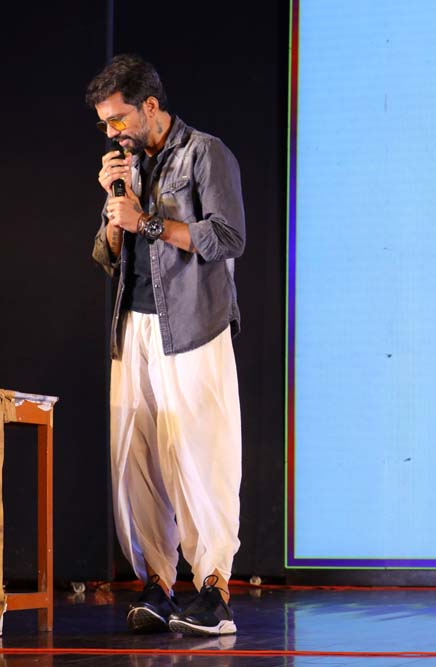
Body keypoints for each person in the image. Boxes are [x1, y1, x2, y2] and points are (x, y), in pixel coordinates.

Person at [87, 54, 245, 636]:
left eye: (118, 118)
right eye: (104, 123)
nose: (112, 132)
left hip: (194, 326)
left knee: (200, 456)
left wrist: (147, 222)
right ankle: (158, 581)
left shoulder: (205, 153)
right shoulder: (128, 167)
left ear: (150, 105)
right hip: (134, 327)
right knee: (138, 458)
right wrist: (115, 214)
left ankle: (214, 591)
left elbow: (228, 237)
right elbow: (106, 255)